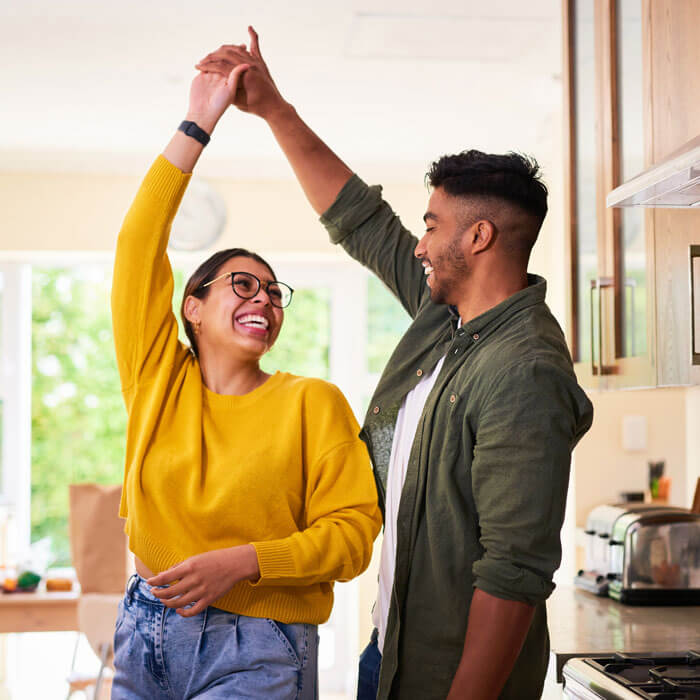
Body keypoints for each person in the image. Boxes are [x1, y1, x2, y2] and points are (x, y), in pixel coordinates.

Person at [196, 28, 594, 700]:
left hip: (448, 681)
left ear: (479, 236)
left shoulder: (523, 372)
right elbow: (362, 220)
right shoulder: (450, 320)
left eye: (433, 225)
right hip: (391, 653)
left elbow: (513, 573)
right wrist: (273, 109)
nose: (420, 244)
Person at [110, 61, 381, 699]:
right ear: (193, 307)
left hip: (258, 642)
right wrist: (198, 122)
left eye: (273, 290)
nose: (264, 297)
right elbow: (136, 247)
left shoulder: (312, 403)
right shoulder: (156, 381)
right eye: (242, 283)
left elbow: (353, 535)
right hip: (144, 628)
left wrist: (245, 561)